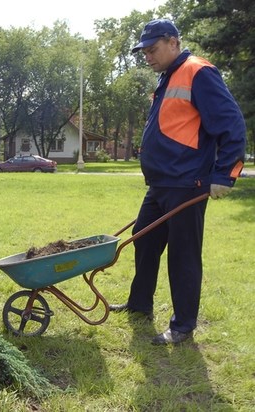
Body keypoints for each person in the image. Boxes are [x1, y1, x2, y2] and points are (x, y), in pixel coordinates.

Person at [109, 19, 246, 345]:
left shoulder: (199, 72)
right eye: (144, 51)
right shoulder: (167, 77)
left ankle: (183, 325)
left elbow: (232, 124)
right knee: (143, 240)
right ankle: (140, 304)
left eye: (153, 49)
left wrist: (226, 174)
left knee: (183, 255)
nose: (148, 56)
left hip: (187, 183)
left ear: (173, 42)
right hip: (160, 184)